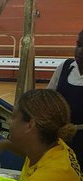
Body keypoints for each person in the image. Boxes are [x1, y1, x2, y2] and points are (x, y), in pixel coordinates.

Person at [47, 30, 83, 168]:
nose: (80, 51)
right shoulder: (65, 67)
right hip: (60, 138)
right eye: (79, 45)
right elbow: (48, 100)